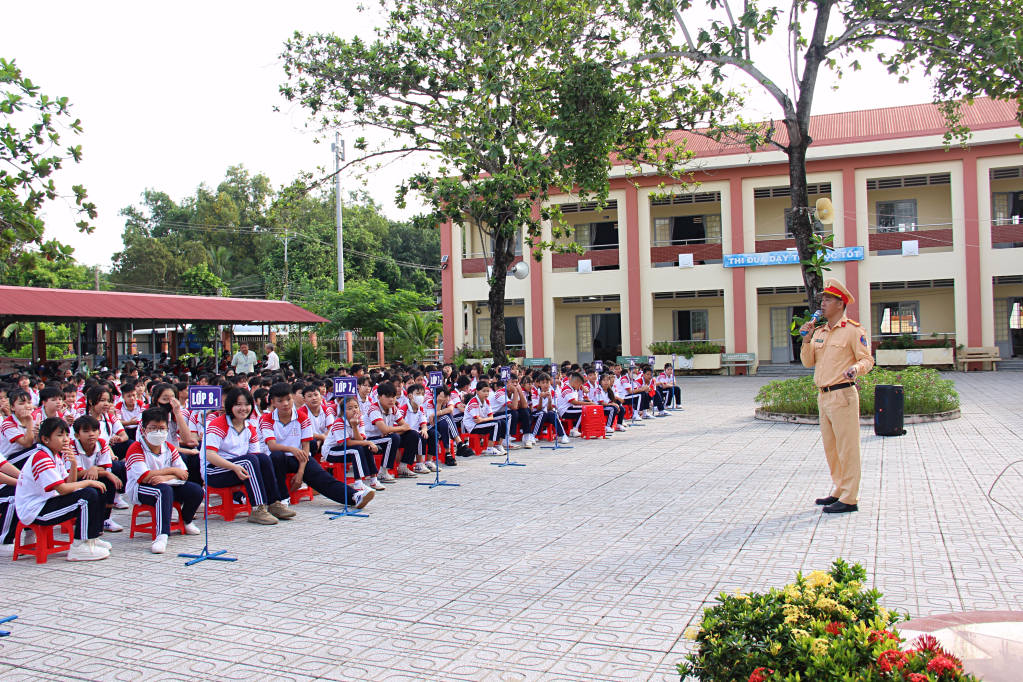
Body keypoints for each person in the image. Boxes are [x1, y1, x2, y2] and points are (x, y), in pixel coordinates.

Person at [799, 278, 874, 514]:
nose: (823, 303)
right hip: (824, 397)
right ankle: (840, 489)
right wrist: (807, 338)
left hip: (843, 395)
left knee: (847, 448)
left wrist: (856, 369)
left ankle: (850, 498)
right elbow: (807, 362)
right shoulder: (819, 331)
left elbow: (867, 360)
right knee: (831, 447)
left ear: (840, 304)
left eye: (828, 299)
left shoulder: (852, 330)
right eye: (822, 299)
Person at [8, 417, 110, 561]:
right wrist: (87, 483)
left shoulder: (54, 456)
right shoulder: (41, 457)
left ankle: (91, 538)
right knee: (87, 495)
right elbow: (62, 489)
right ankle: (80, 546)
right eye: (59, 435)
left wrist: (73, 465)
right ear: (45, 439)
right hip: (35, 511)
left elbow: (70, 483)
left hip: (45, 503)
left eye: (66, 435)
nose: (65, 439)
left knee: (94, 491)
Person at [260, 383, 374, 510]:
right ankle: (282, 499)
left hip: (300, 458)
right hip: (278, 460)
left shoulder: (302, 418)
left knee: (323, 478)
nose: (285, 404)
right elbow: (272, 446)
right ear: (272, 402)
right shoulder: (267, 419)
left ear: (292, 398)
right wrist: (292, 449)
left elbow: (306, 446)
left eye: (288, 399)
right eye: (280, 401)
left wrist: (301, 472)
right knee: (277, 456)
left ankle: (354, 496)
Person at [125, 408, 205, 554]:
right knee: (164, 491)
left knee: (196, 490)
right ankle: (162, 535)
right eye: (153, 428)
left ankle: (186, 521)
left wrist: (166, 477)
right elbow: (144, 477)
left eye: (162, 428)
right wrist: (172, 471)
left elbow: (184, 473)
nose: (158, 432)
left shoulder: (168, 447)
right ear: (143, 429)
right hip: (141, 488)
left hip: (166, 483)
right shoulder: (136, 448)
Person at [205, 387, 289, 525]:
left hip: (238, 468)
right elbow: (209, 455)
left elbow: (256, 456)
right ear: (230, 406)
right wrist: (234, 467)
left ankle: (273, 502)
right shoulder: (218, 424)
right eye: (238, 404)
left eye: (247, 404)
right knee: (248, 461)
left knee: (263, 458)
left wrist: (239, 466)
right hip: (215, 471)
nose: (243, 408)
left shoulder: (249, 427)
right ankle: (257, 508)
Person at [69, 415, 125, 534]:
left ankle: (105, 519)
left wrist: (96, 469)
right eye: (86, 431)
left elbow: (105, 466)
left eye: (94, 430)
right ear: (77, 435)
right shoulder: (71, 447)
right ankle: (89, 524)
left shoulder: (101, 443)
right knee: (100, 484)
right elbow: (76, 474)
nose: (91, 434)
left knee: (109, 482)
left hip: (92, 476)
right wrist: (99, 471)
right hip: (74, 481)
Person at [323, 396, 383, 491]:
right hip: (331, 451)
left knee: (365, 448)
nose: (354, 410)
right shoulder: (339, 422)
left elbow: (360, 440)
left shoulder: (360, 420)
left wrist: (355, 426)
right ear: (343, 413)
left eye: (356, 407)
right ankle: (358, 483)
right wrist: (369, 442)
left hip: (346, 449)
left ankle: (373, 479)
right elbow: (347, 443)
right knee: (357, 450)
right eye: (349, 408)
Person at [461, 381, 507, 456]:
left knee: (503, 422)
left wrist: (483, 420)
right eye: (484, 391)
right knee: (496, 424)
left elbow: (491, 417)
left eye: (488, 391)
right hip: (473, 426)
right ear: (477, 391)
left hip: (481, 423)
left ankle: (499, 445)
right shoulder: (473, 402)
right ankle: (490, 449)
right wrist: (484, 419)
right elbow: (477, 419)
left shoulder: (487, 401)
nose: (486, 393)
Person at [1, 389, 38, 470]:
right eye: (21, 403)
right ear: (12, 407)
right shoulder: (8, 423)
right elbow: (27, 444)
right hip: (10, 460)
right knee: (40, 448)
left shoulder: (36, 418)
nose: (27, 406)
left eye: (29, 403)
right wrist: (29, 421)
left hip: (26, 454)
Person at [530, 373, 568, 444]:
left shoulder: (553, 393)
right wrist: (540, 398)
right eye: (543, 383)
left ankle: (563, 435)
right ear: (539, 384)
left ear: (550, 383)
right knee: (542, 413)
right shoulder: (535, 393)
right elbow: (538, 409)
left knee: (552, 414)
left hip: (549, 413)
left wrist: (549, 399)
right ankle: (533, 435)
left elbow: (550, 409)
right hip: (538, 414)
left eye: (547, 382)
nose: (545, 385)